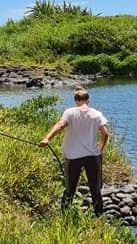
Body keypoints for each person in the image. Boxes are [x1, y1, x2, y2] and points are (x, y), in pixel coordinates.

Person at [39, 86, 109, 216]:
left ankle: (65, 216)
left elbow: (60, 125)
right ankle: (99, 216)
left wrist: (47, 138)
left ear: (76, 100)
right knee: (95, 189)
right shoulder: (96, 114)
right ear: (88, 100)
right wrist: (100, 149)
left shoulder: (70, 112)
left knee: (70, 188)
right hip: (92, 156)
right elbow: (105, 133)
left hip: (73, 156)